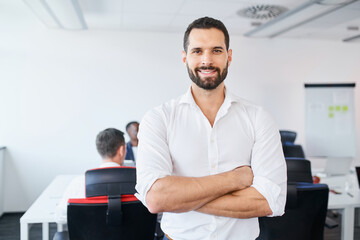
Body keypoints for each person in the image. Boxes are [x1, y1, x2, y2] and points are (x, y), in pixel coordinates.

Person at [135, 16, 287, 240]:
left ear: (229, 56)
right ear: (185, 57)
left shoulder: (259, 118)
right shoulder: (159, 119)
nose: (207, 60)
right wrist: (233, 180)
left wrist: (181, 198)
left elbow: (269, 201)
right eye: (197, 51)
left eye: (216, 50)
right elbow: (157, 199)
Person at [55, 128, 126, 225]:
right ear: (121, 150)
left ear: (99, 149)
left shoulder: (79, 183)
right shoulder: (137, 182)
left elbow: (60, 217)